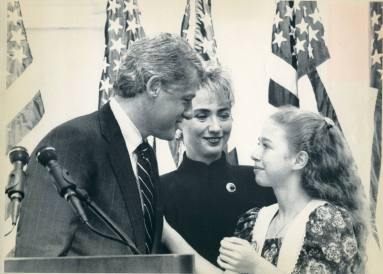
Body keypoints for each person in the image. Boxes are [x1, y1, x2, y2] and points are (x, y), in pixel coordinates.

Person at [14, 33, 204, 257]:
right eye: (186, 99)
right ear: (154, 87)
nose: (191, 112)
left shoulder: (145, 155)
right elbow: (37, 261)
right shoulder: (73, 142)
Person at [163, 106, 369, 274]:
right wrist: (167, 233)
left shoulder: (327, 219)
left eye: (266, 146)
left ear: (299, 160)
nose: (254, 154)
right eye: (258, 144)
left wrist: (255, 266)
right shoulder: (254, 220)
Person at [160, 67, 275, 265]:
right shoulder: (158, 191)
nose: (215, 128)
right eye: (202, 116)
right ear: (179, 122)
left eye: (223, 115)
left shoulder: (260, 182)